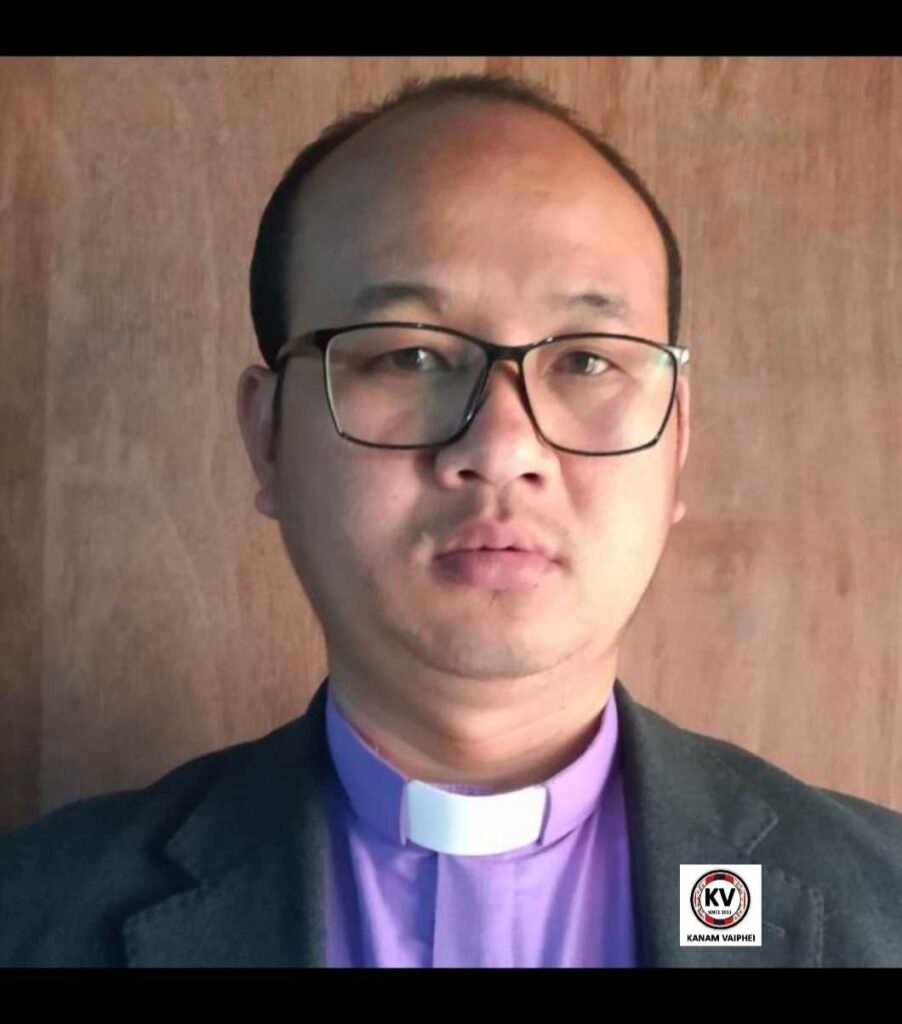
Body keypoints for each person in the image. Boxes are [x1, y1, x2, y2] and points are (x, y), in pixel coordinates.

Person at [2, 72, 901, 969]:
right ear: (268, 435)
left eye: (587, 361)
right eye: (410, 355)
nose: (503, 446)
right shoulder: (32, 917)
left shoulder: (880, 905)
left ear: (677, 441)